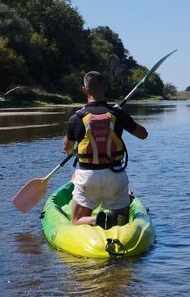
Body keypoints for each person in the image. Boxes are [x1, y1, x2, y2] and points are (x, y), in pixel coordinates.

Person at [63, 71, 148, 227]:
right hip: (115, 176)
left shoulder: (76, 118)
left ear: (84, 90)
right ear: (105, 88)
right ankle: (114, 220)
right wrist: (123, 115)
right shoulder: (118, 114)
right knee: (122, 221)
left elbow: (67, 148)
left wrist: (73, 151)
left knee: (76, 221)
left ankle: (94, 220)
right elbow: (143, 134)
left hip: (88, 177)